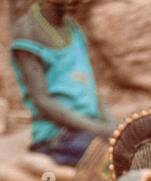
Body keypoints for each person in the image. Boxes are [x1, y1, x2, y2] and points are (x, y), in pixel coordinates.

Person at [9, 0, 113, 166]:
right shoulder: (28, 32)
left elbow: (92, 87)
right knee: (109, 161)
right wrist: (100, 130)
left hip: (89, 128)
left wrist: (111, 127)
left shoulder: (73, 28)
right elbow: (42, 101)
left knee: (139, 144)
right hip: (58, 137)